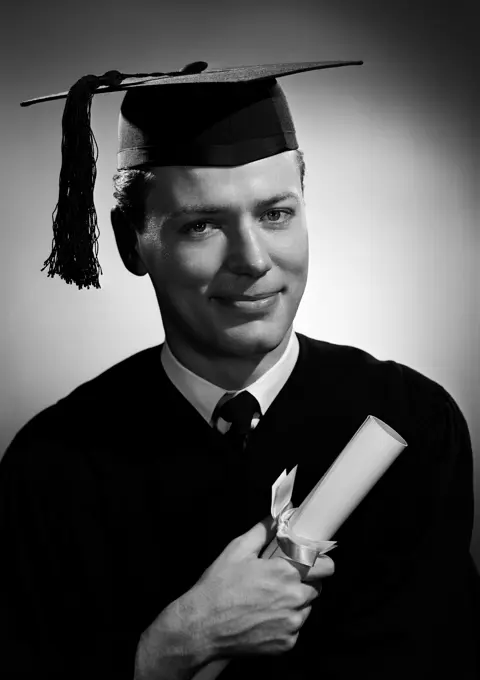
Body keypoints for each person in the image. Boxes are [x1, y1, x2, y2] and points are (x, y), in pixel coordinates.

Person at [1, 60, 478, 680]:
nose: (253, 260)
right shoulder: (53, 467)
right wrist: (173, 647)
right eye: (202, 225)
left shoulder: (410, 421)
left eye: (276, 214)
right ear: (129, 242)